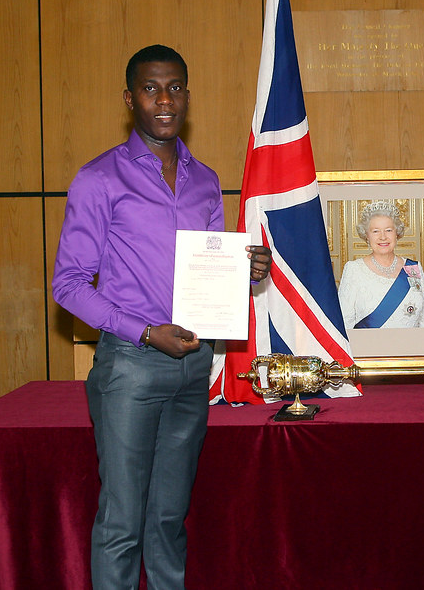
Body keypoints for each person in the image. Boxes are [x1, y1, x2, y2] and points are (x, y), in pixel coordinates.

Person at [51, 44, 271, 590]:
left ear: (188, 97)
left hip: (193, 368)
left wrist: (248, 270)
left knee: (169, 520)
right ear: (130, 99)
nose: (164, 100)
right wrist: (143, 331)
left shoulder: (205, 180)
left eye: (175, 88)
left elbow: (209, 271)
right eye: (151, 89)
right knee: (122, 523)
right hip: (130, 367)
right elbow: (68, 285)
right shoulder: (98, 179)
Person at [337, 201, 424, 329]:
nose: (383, 237)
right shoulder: (353, 269)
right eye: (376, 231)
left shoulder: (413, 268)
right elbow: (345, 322)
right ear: (367, 236)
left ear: (396, 233)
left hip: (412, 346)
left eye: (388, 230)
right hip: (370, 347)